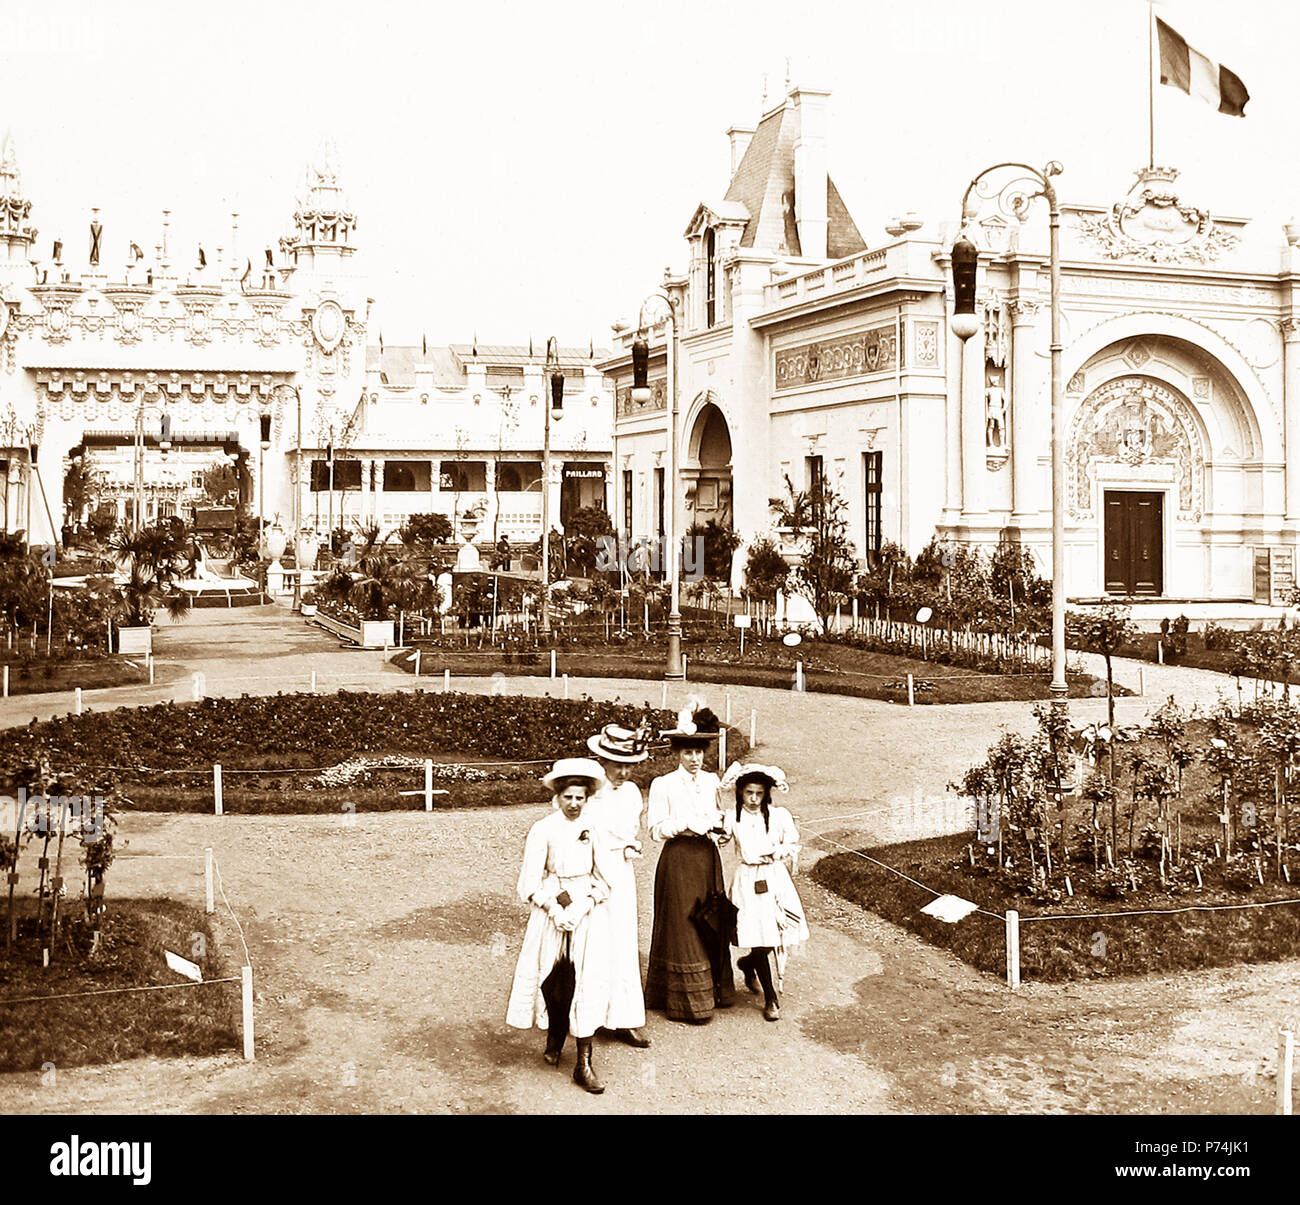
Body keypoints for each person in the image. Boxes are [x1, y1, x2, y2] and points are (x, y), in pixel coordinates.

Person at [506, 757, 613, 1093]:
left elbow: (606, 879)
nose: (574, 804)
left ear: (588, 798)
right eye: (568, 797)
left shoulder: (595, 829)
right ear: (557, 796)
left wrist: (584, 905)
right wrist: (552, 907)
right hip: (553, 905)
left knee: (586, 978)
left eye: (580, 797)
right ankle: (554, 1037)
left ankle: (584, 1063)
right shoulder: (544, 829)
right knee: (553, 976)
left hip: (584, 909)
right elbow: (529, 882)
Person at [643, 698, 735, 1023]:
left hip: (707, 859)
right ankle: (686, 1002)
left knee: (709, 919)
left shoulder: (711, 781)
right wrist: (683, 824)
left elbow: (718, 818)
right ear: (677, 753)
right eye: (687, 753)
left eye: (698, 753)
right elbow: (655, 829)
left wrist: (721, 833)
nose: (694, 759)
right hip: (679, 860)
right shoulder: (663, 784)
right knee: (683, 924)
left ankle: (716, 990)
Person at [720, 762, 809, 1022]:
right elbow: (721, 838)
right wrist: (719, 834)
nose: (753, 799)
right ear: (740, 793)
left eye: (759, 793)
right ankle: (771, 998)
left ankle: (749, 964)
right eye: (749, 793)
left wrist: (782, 850)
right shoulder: (732, 817)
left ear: (766, 793)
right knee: (759, 936)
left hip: (773, 876)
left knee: (774, 935)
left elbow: (792, 841)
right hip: (748, 879)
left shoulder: (779, 816)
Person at [585, 722, 654, 1049]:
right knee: (593, 943)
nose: (624, 772)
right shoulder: (587, 792)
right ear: (603, 761)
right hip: (591, 873)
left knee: (623, 941)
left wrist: (629, 846)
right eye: (617, 765)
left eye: (629, 765)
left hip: (621, 874)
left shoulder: (630, 794)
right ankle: (588, 1016)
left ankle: (623, 1018)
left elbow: (629, 833)